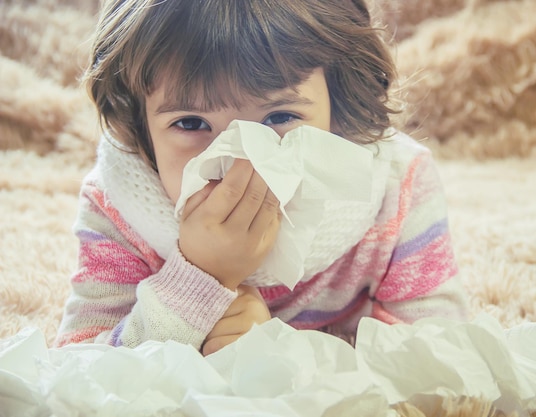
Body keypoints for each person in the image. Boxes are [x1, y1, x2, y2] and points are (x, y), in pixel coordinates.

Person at [55, 0, 468, 355]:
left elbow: (438, 355)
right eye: (191, 122)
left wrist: (282, 353)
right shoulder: (118, 204)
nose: (240, 164)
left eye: (279, 118)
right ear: (138, 125)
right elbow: (76, 374)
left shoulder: (394, 185)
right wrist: (197, 280)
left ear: (339, 105)